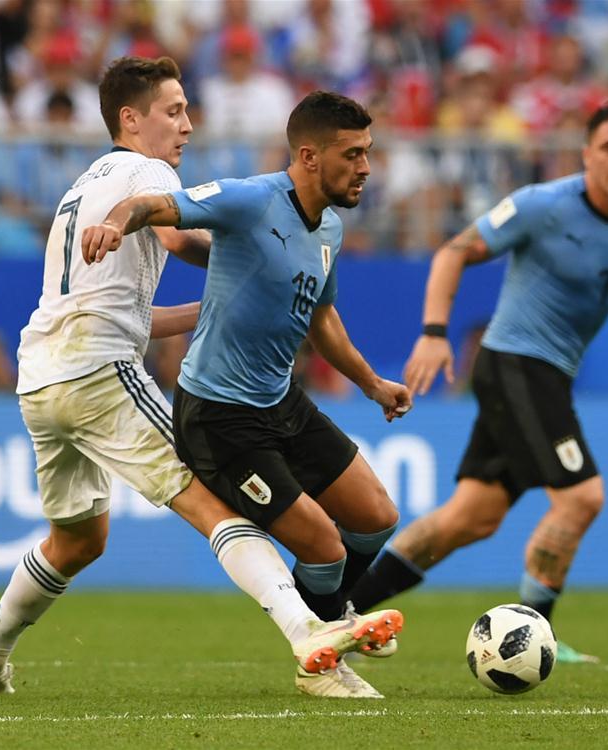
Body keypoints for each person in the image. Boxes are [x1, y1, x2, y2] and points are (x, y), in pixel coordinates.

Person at [0, 59, 399, 701]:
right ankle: (307, 634)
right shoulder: (149, 172)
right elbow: (176, 233)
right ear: (131, 119)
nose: (187, 125)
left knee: (77, 541)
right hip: (98, 372)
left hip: (42, 375)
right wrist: (255, 255)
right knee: (209, 506)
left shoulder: (82, 184)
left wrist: (242, 287)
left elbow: (128, 310)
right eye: (174, 111)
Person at [344, 101, 608, 663]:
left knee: (470, 519)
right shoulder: (545, 205)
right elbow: (455, 251)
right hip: (515, 363)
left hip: (547, 375)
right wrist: (434, 332)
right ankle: (538, 635)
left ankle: (343, 616)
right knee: (582, 496)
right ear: (586, 154)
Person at [81, 91, 411, 699]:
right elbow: (153, 203)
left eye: (369, 152)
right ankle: (324, 657)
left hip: (280, 401)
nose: (366, 166)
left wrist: (372, 384)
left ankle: (332, 616)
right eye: (354, 154)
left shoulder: (330, 227)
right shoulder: (251, 198)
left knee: (377, 519)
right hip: (218, 416)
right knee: (323, 544)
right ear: (309, 156)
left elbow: (323, 318)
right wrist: (113, 222)